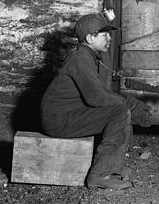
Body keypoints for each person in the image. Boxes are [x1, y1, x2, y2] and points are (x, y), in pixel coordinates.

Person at [40, 13, 141, 190]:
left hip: (70, 114)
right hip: (58, 120)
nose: (109, 38)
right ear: (89, 38)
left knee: (121, 111)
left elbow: (102, 92)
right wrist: (131, 104)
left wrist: (128, 104)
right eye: (104, 35)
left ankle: (111, 166)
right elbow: (97, 98)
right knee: (120, 112)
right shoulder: (81, 59)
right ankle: (99, 175)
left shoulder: (90, 56)